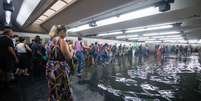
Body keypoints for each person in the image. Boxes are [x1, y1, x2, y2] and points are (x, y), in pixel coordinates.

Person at [46, 25, 74, 101]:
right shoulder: (61, 40)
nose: (66, 34)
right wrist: (72, 50)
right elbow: (69, 57)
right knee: (62, 87)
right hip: (59, 68)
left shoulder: (50, 41)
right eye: (66, 32)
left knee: (53, 86)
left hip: (50, 66)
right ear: (62, 32)